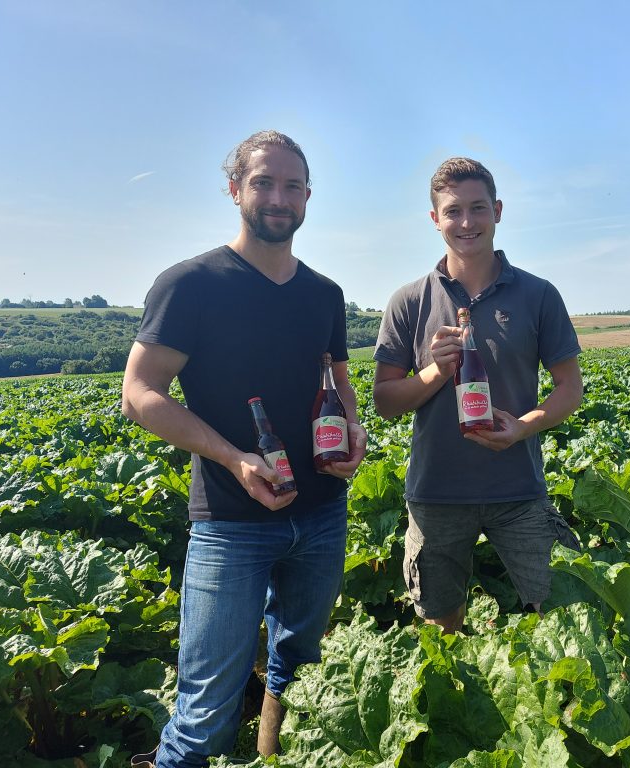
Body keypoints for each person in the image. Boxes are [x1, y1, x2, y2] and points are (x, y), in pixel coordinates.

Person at [121, 130, 366, 768]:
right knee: (204, 709)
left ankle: (273, 755)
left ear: (309, 197)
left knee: (301, 673)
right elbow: (140, 394)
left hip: (320, 515)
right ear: (236, 190)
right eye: (263, 182)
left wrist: (356, 431)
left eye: (292, 186)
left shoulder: (325, 294)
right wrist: (233, 457)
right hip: (231, 522)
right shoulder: (192, 285)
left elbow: (336, 378)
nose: (278, 197)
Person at [373, 157, 582, 634]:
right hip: (436, 495)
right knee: (441, 623)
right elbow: (384, 402)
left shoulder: (538, 294)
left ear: (498, 211)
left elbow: (570, 387)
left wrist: (524, 426)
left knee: (561, 615)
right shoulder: (409, 300)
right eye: (453, 211)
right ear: (435, 219)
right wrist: (433, 372)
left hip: (520, 491)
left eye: (478, 208)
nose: (466, 222)